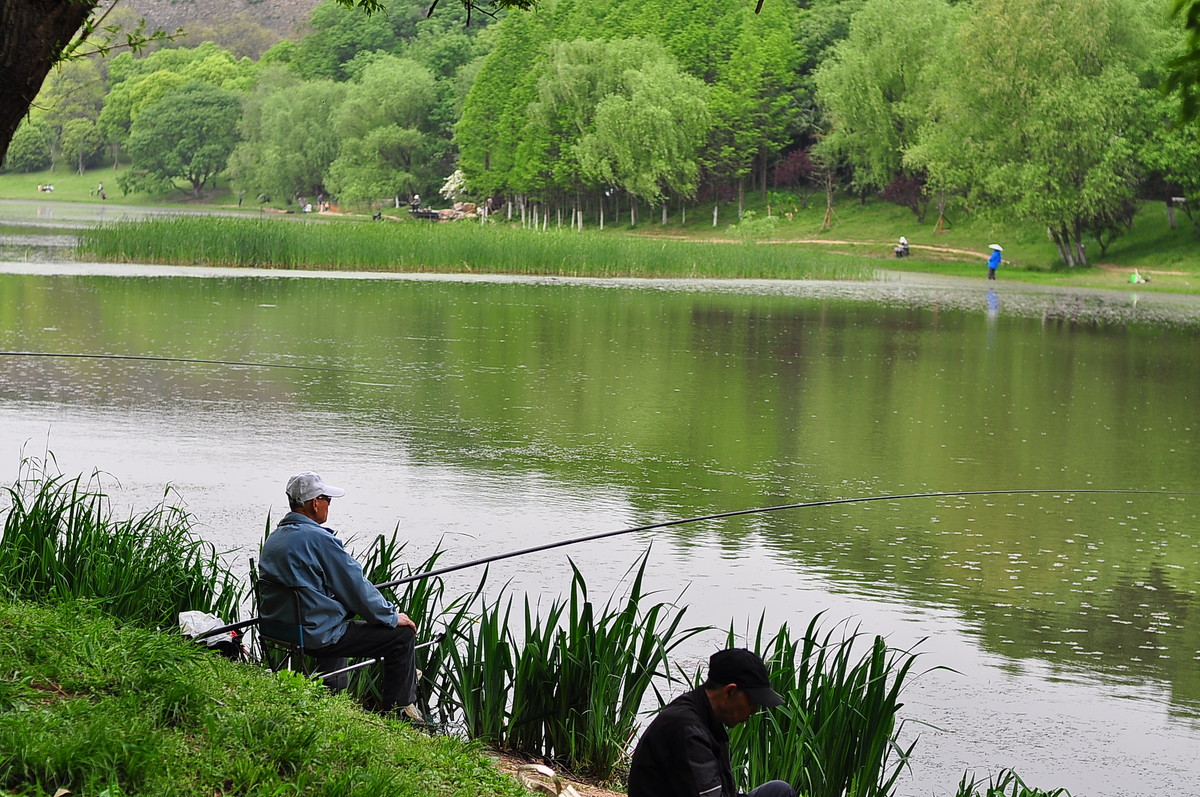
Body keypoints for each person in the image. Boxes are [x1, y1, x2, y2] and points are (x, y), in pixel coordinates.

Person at [258, 471, 420, 717]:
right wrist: (390, 616)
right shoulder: (319, 539)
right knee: (402, 636)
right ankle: (399, 713)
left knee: (340, 617)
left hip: (279, 629)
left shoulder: (276, 538)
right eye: (328, 501)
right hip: (313, 635)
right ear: (315, 503)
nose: (328, 506)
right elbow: (356, 586)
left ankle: (329, 693)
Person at [628, 648, 797, 797]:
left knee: (780, 790)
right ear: (730, 691)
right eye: (753, 702)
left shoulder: (702, 714)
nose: (754, 711)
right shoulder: (688, 730)